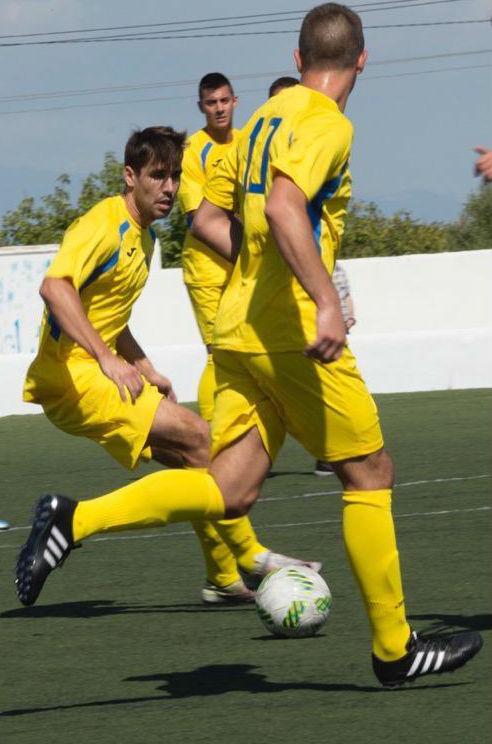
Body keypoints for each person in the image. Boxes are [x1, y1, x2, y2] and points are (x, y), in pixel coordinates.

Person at [15, 4, 482, 687]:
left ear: (296, 60)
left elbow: (206, 217)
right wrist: (323, 298)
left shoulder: (260, 122)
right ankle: (393, 646)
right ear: (362, 60)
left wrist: (261, 273)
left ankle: (73, 519)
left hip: (235, 330)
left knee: (227, 486)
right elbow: (288, 207)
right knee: (370, 472)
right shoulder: (326, 122)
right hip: (289, 335)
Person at [20, 125, 317, 608]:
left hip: (91, 371)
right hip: (72, 377)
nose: (170, 188)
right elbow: (56, 289)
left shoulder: (146, 238)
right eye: (158, 176)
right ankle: (70, 521)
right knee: (202, 438)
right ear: (130, 176)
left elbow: (106, 315)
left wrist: (143, 365)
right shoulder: (105, 224)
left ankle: (224, 577)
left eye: (176, 176)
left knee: (192, 460)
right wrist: (107, 361)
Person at [178, 72, 319, 602]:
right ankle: (217, 447)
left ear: (235, 102)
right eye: (209, 103)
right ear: (202, 106)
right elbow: (202, 221)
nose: (218, 109)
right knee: (226, 353)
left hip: (248, 266)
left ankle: (228, 445)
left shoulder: (249, 138)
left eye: (223, 101)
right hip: (211, 268)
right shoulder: (196, 151)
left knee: (246, 358)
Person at [314, 261, 355, 476]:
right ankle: (327, 455)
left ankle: (331, 455)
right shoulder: (312, 265)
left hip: (340, 336)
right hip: (323, 337)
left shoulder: (338, 269)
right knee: (328, 394)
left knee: (339, 393)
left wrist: (350, 318)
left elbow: (346, 295)